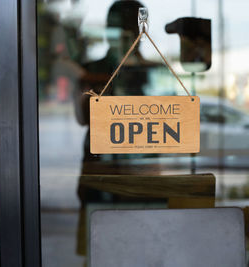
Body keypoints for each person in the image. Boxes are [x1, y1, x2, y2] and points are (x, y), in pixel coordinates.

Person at [74, 0, 161, 256]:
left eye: (128, 30)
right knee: (100, 250)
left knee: (148, 249)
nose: (121, 36)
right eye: (114, 28)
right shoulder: (93, 71)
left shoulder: (153, 72)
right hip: (101, 170)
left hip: (144, 174)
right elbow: (83, 116)